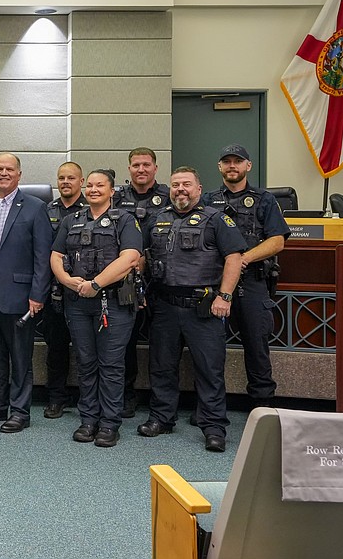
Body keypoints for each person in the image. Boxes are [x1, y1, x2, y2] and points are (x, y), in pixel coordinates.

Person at [139, 166, 246, 453]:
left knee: (209, 370)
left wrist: (225, 296)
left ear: (199, 189)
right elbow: (142, 257)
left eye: (186, 184)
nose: (180, 190)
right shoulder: (158, 219)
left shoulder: (216, 219)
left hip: (205, 306)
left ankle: (213, 428)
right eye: (175, 185)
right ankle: (162, 418)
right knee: (161, 366)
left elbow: (234, 258)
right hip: (164, 306)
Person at [50, 169, 142, 448]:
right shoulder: (71, 221)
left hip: (113, 303)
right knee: (85, 362)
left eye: (99, 185)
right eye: (89, 185)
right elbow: (56, 255)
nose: (93, 189)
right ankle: (88, 419)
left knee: (111, 365)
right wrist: (66, 280)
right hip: (77, 302)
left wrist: (97, 284)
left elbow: (130, 257)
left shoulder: (124, 220)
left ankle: (109, 423)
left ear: (112, 191)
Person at [202, 144, 290, 409]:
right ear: (219, 167)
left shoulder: (264, 199)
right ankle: (209, 407)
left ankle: (262, 407)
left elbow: (277, 241)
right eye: (226, 161)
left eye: (237, 162)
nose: (232, 166)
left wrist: (243, 258)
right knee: (209, 349)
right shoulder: (208, 200)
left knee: (256, 348)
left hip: (252, 282)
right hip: (215, 284)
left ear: (248, 166)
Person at [0, 153, 51, 433]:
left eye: (9, 169)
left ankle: (19, 411)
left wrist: (38, 294)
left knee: (20, 356)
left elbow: (43, 257)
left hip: (20, 295)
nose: (3, 173)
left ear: (19, 174)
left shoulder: (35, 207)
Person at [113, 147, 171, 418]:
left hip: (162, 279)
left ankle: (162, 403)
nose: (141, 169)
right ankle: (126, 394)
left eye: (146, 165)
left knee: (163, 343)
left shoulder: (170, 196)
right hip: (127, 279)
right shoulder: (116, 198)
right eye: (136, 165)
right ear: (129, 169)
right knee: (125, 341)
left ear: (155, 168)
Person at [40, 161, 88, 419]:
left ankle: (88, 398)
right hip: (54, 292)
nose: (66, 182)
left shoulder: (93, 210)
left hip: (85, 290)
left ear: (81, 181)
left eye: (71, 177)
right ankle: (56, 397)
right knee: (56, 347)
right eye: (61, 178)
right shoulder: (46, 210)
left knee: (87, 349)